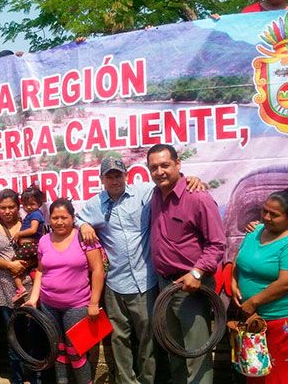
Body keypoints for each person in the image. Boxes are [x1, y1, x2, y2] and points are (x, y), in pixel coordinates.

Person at [76, 156, 204, 383]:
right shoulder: (95, 204)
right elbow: (77, 217)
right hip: (115, 284)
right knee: (119, 339)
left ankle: (148, 380)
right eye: (110, 176)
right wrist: (84, 224)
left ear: (126, 175)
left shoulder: (145, 193)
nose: (114, 180)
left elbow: (170, 184)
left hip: (145, 282)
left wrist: (191, 179)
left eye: (118, 175)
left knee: (148, 339)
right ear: (102, 179)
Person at [147, 144, 226, 384]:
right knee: (175, 350)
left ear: (178, 164)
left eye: (165, 165)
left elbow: (217, 244)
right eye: (154, 167)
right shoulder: (155, 195)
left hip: (191, 286)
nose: (160, 171)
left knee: (196, 352)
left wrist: (197, 272)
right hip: (165, 285)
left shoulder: (198, 197)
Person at [233, 188, 288, 383]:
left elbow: (287, 283)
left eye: (274, 215)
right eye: (264, 211)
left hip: (283, 320)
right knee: (256, 372)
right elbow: (240, 260)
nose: (267, 217)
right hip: (254, 319)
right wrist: (234, 281)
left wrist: (253, 302)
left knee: (282, 375)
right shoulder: (255, 231)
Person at [23, 198, 104, 384]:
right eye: (55, 217)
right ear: (49, 219)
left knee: (76, 351)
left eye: (64, 217)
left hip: (77, 306)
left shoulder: (84, 237)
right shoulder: (44, 241)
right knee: (57, 349)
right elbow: (41, 271)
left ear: (73, 218)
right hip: (49, 305)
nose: (59, 222)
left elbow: (98, 270)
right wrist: (34, 298)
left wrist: (94, 303)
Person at [0, 189, 40, 384]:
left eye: (11, 207)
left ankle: (33, 377)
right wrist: (10, 265)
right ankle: (16, 378)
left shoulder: (29, 225)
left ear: (18, 207)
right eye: (3, 207)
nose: (7, 211)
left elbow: (42, 251)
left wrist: (28, 264)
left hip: (32, 289)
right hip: (6, 291)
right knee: (13, 337)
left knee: (33, 335)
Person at [10, 186, 45, 303]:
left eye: (32, 204)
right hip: (30, 246)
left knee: (14, 264)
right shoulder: (32, 214)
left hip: (30, 247)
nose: (28, 207)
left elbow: (34, 230)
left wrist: (19, 234)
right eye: (25, 205)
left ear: (39, 203)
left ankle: (21, 289)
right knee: (28, 266)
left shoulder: (36, 214)